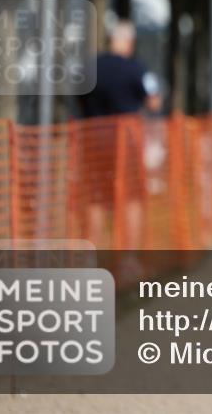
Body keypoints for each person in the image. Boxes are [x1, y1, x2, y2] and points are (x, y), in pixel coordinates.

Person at [79, 21, 161, 276]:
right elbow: (154, 102)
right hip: (125, 142)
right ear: (129, 42)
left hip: (93, 141)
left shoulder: (89, 68)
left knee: (95, 198)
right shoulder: (135, 68)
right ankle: (128, 259)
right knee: (132, 199)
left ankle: (90, 261)